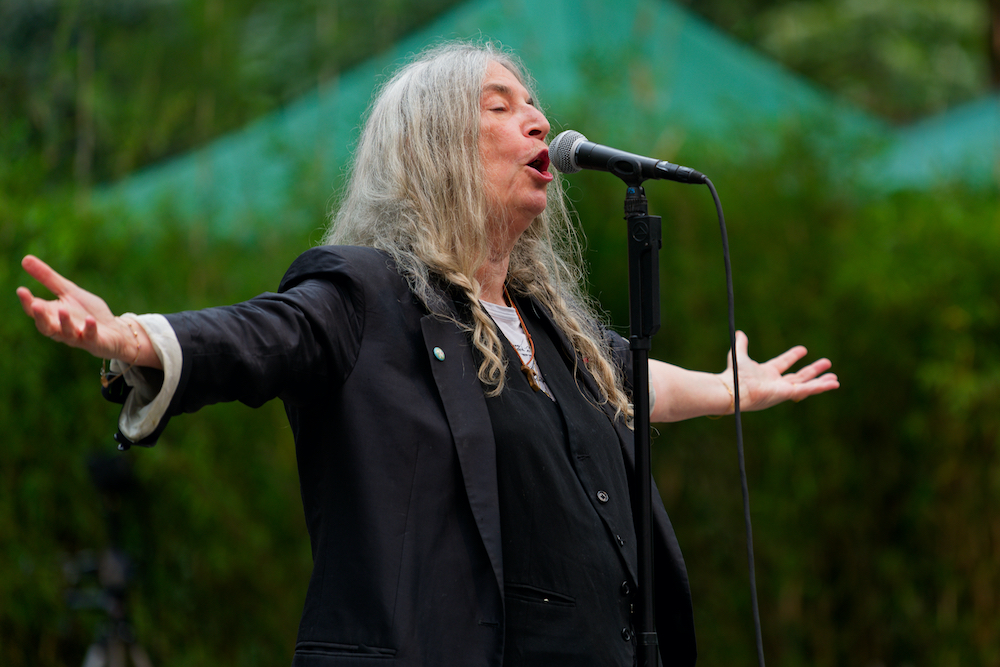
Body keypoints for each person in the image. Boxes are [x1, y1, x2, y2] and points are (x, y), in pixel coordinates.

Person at [17, 42, 838, 667]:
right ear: (432, 147)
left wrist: (730, 388)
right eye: (499, 106)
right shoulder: (366, 299)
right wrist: (138, 336)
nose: (538, 121)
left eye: (533, 105)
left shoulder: (549, 326)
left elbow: (623, 379)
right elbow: (261, 335)